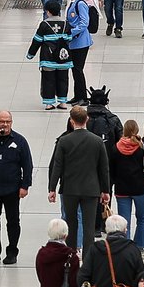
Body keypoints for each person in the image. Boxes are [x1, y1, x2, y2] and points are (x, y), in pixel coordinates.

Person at [48, 105, 111, 249]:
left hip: (70, 188)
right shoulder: (97, 141)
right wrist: (105, 190)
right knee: (89, 227)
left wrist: (52, 188)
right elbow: (104, 168)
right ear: (87, 119)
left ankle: (71, 256)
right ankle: (88, 259)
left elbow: (57, 166)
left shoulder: (64, 141)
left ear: (72, 121)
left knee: (71, 225)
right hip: (91, 189)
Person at [0, 111, 33, 265]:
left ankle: (12, 251)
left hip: (12, 189)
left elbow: (28, 165)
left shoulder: (19, 141)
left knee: (12, 221)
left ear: (11, 122)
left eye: (7, 121)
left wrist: (25, 185)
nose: (4, 124)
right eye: (1, 121)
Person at [109, 120, 144, 251]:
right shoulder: (142, 148)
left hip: (121, 190)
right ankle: (140, 247)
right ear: (137, 130)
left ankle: (125, 248)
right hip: (140, 189)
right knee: (142, 218)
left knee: (124, 221)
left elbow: (111, 171)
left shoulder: (115, 148)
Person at [33, 218, 78, 287]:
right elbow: (74, 284)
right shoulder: (71, 257)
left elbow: (40, 277)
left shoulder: (41, 254)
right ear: (65, 235)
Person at [60, 0, 94, 104]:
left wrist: (71, 32)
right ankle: (77, 95)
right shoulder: (72, 3)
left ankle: (83, 97)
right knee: (75, 69)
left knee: (78, 69)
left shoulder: (80, 4)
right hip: (74, 42)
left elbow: (84, 23)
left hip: (81, 42)